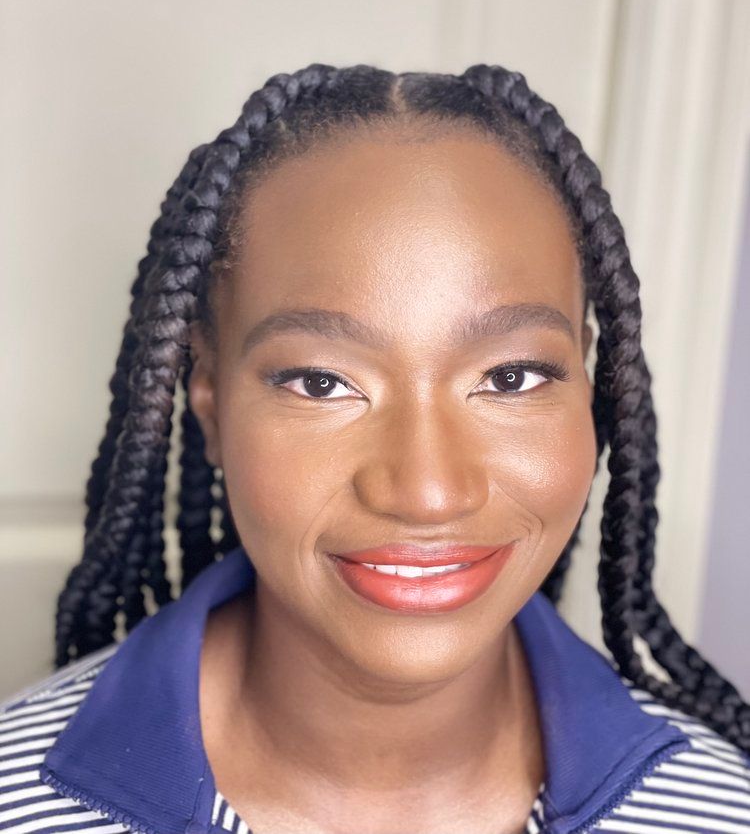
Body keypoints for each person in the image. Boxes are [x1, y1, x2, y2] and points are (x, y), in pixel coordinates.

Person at [1, 63, 748, 834]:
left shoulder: (722, 809)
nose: (427, 490)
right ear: (211, 399)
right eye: (322, 382)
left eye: (512, 375)